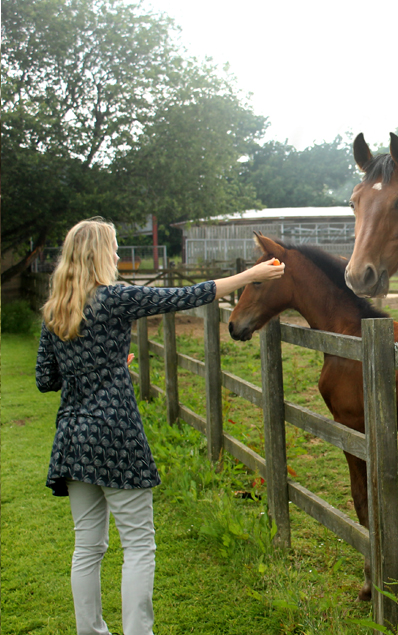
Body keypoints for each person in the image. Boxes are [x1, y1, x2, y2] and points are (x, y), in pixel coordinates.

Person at [35, 217, 284, 635]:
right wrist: (251, 275)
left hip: (72, 439)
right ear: (98, 255)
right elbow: (183, 296)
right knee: (138, 545)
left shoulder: (55, 312)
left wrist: (101, 365)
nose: (116, 255)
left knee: (87, 548)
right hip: (114, 433)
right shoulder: (113, 298)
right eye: (113, 248)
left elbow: (47, 380)